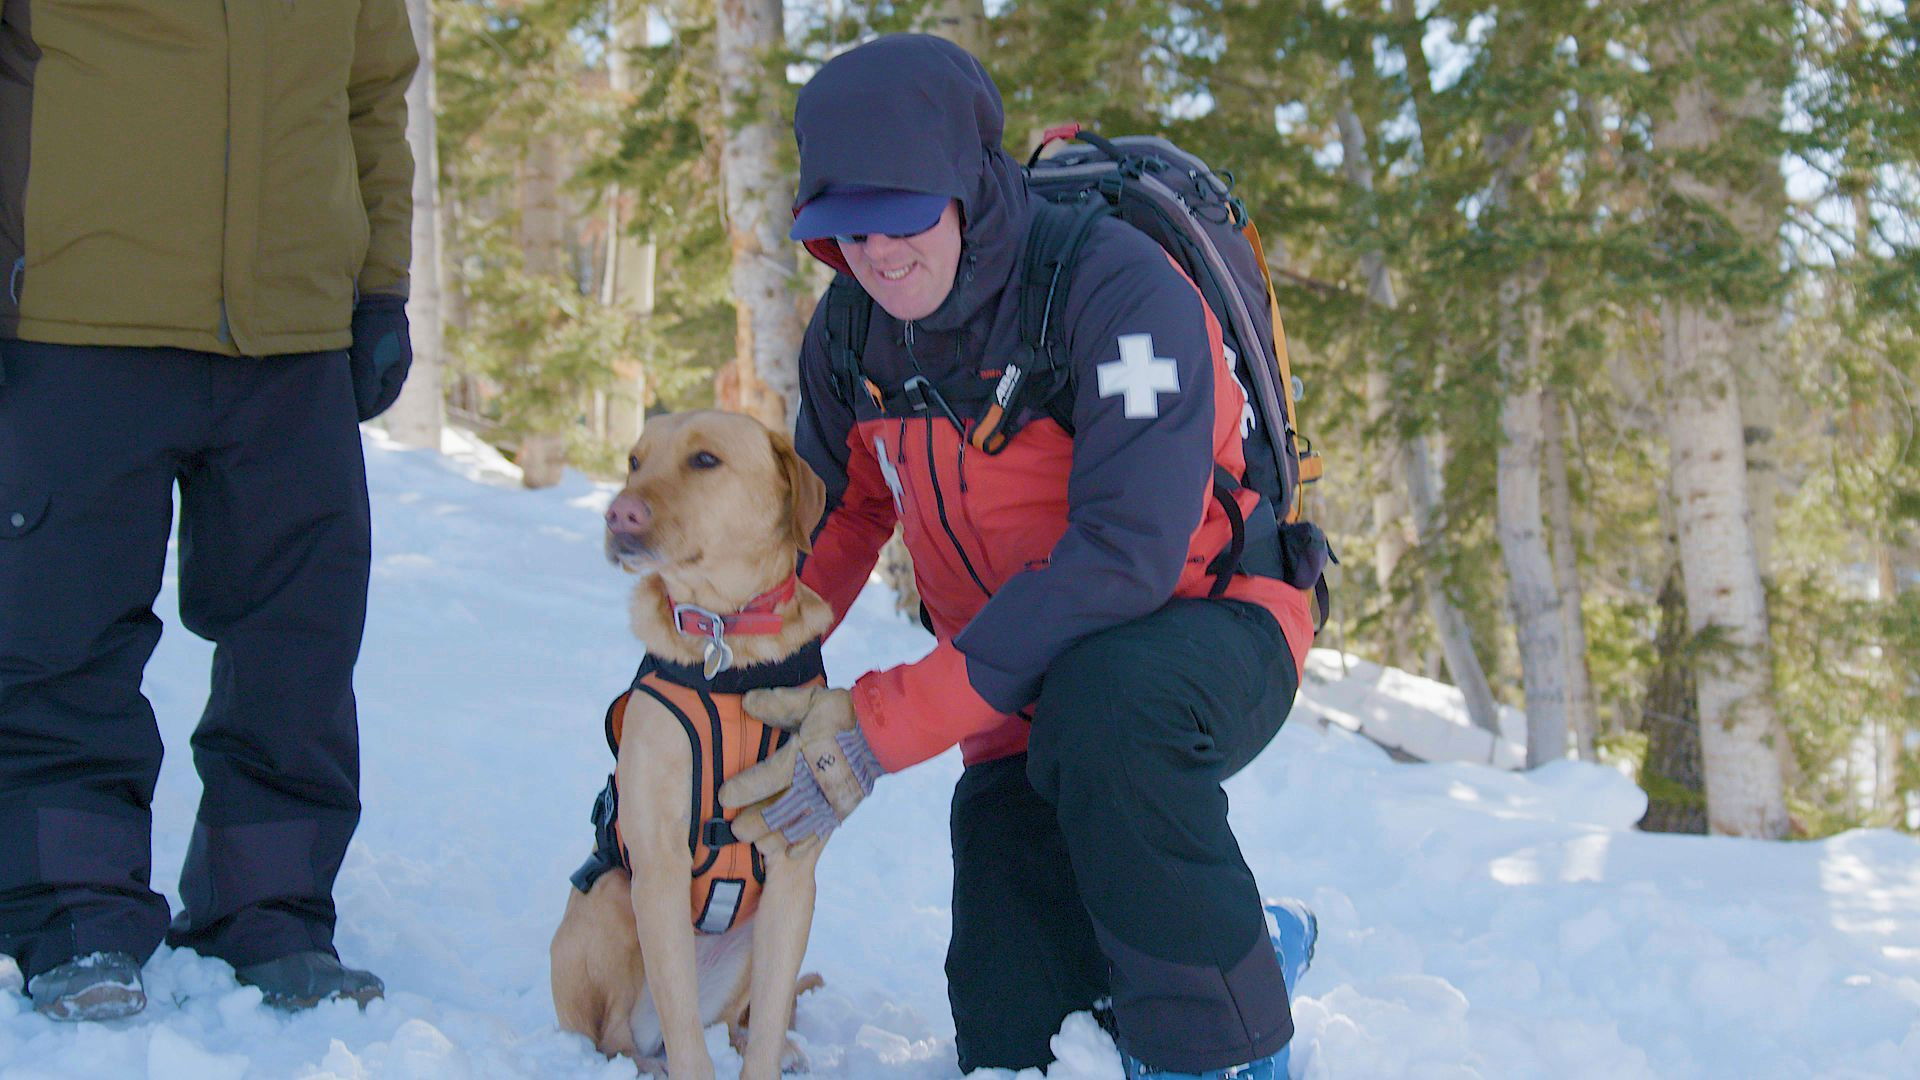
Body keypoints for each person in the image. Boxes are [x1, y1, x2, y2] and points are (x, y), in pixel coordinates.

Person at [718, 34, 1319, 1079]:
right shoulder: (853, 333)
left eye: (901, 214)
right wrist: (728, 672)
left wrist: (881, 725)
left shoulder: (1113, 291)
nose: (876, 252)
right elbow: (835, 520)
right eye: (842, 226)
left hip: (1207, 630)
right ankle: (1232, 935)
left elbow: (1127, 556)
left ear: (964, 183)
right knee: (1012, 1038)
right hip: (1008, 689)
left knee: (1108, 711)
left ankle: (1224, 1044)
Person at [0, 0, 418, 1020]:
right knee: (63, 644)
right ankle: (75, 918)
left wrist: (380, 287)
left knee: (299, 650)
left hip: (293, 330)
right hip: (76, 314)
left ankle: (267, 913)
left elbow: (371, 94)